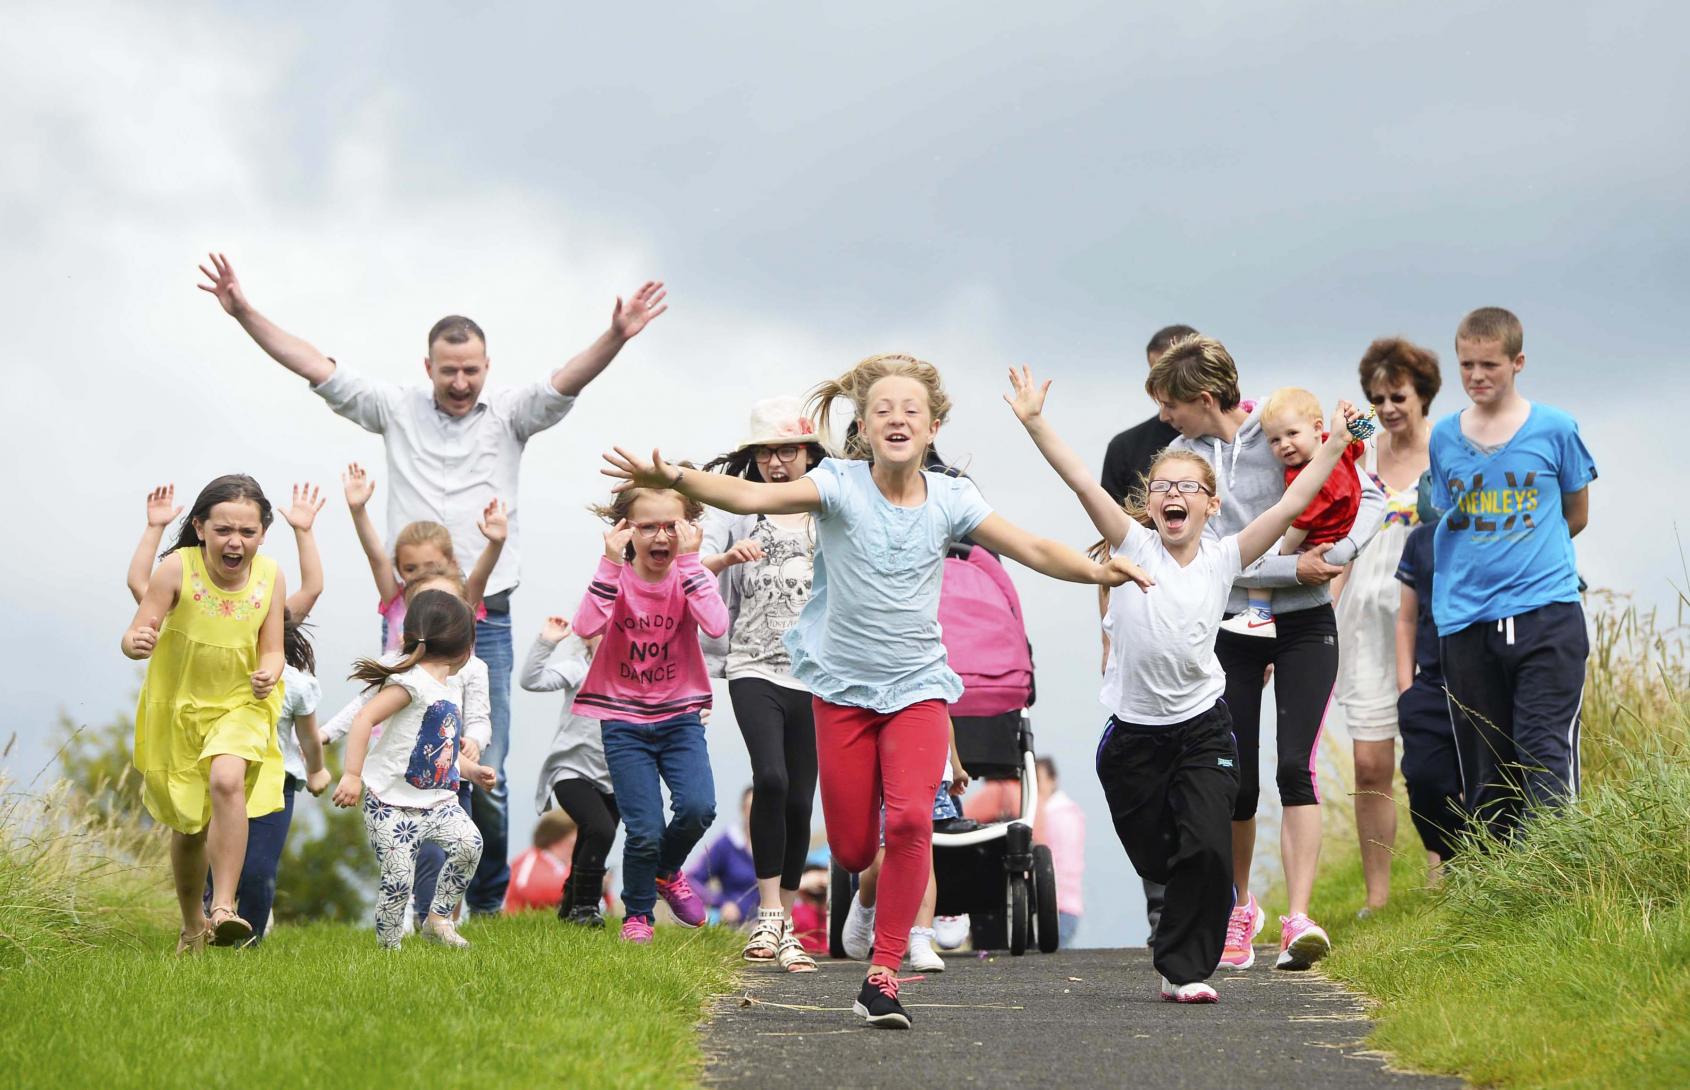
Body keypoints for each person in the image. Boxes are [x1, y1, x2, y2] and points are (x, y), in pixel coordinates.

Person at [601, 352, 1151, 1030]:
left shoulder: (951, 498)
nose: (897, 419)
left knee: (915, 821)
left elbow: (1034, 548)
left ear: (932, 426)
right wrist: (673, 477)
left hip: (918, 685)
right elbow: (751, 497)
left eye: (911, 411)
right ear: (862, 426)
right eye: (884, 410)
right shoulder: (836, 483)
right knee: (857, 848)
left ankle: (883, 975)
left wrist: (1104, 568)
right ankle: (862, 903)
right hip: (841, 689)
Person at [197, 252, 667, 912]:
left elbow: (566, 381)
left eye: (471, 370)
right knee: (411, 759)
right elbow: (315, 364)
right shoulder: (395, 408)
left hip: (487, 620)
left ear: (487, 366)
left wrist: (615, 335)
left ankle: (484, 900)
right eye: (448, 371)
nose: (460, 381)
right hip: (410, 622)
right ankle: (421, 900)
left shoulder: (509, 414)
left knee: (486, 767)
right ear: (428, 368)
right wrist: (245, 311)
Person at [1004, 363, 1363, 1001]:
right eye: (1163, 486)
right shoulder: (1134, 547)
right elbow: (1082, 480)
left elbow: (1289, 504)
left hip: (1202, 726)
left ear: (1211, 504)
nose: (1175, 495)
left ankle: (1184, 971)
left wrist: (1334, 443)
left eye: (1188, 487)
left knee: (1207, 847)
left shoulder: (1228, 557)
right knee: (1159, 857)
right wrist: (1035, 422)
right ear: (1150, 503)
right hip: (1134, 736)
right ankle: (1184, 916)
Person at [1147, 336, 1385, 972]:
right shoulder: (1184, 465)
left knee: (1294, 766)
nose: (1165, 418)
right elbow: (1221, 559)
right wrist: (1295, 566)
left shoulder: (1277, 426)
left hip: (1307, 625)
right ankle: (1239, 908)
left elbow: (1375, 494)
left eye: (1171, 404)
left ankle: (1298, 917)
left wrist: (1336, 559)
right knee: (1238, 780)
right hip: (1236, 624)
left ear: (1201, 399)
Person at [128, 483, 333, 943]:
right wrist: (136, 644)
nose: (234, 540)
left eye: (247, 530)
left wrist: (269, 671)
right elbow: (135, 626)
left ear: (262, 534)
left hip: (244, 703)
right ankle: (191, 924)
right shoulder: (177, 569)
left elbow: (274, 649)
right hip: (181, 710)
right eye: (222, 529)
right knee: (189, 827)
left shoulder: (270, 577)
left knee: (226, 780)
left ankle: (222, 907)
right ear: (200, 528)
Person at [1430, 307, 1596, 837]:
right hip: (1466, 619)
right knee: (1486, 766)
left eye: (1489, 365)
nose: (1477, 376)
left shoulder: (1556, 428)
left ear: (1517, 362)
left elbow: (1576, 513)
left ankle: (1556, 879)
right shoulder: (1443, 437)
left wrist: (1530, 553)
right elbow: (1448, 514)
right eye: (1466, 365)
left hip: (1546, 612)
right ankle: (1505, 898)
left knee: (1544, 750)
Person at [571, 481, 734, 945]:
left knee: (699, 807)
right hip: (623, 721)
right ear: (625, 532)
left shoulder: (690, 575)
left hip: (680, 716)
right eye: (647, 527)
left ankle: (665, 871)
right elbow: (585, 626)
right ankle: (637, 915)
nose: (661, 537)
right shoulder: (614, 578)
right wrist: (607, 563)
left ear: (689, 530)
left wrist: (690, 564)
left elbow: (717, 626)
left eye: (672, 526)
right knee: (643, 828)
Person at [698, 396, 826, 972]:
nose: (778, 463)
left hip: (817, 674)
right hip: (751, 665)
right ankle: (768, 911)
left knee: (801, 796)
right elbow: (689, 572)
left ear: (808, 454)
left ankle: (789, 922)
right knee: (769, 778)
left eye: (789, 451)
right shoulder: (735, 512)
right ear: (753, 457)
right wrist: (726, 558)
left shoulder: (828, 512)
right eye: (767, 452)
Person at [319, 567, 498, 926]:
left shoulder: (464, 677)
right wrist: (348, 770)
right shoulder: (404, 677)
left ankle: (437, 920)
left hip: (444, 787)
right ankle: (394, 940)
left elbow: (449, 742)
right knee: (400, 875)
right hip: (394, 795)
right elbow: (362, 714)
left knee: (466, 846)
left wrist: (474, 764)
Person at [1097, 324, 1195, 942]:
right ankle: (1161, 899)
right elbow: (1108, 545)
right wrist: (1106, 630)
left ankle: (1219, 898)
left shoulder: (1222, 442)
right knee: (1147, 772)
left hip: (1211, 625)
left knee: (1209, 772)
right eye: (1159, 376)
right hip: (1141, 622)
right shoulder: (1128, 446)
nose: (1167, 391)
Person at [1336, 339, 1439, 912]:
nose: (1388, 408)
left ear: (1422, 393)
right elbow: (1338, 540)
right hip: (1363, 619)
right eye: (1377, 399)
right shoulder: (1362, 456)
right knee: (1370, 761)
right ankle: (1377, 897)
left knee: (1433, 753)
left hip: (1429, 619)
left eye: (1397, 395)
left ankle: (1440, 874)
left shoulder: (1448, 451)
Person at [1220, 386, 1366, 637]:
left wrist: (1281, 557)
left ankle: (1259, 613)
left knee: (1260, 546)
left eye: (1292, 434)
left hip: (1314, 539)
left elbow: (1300, 525)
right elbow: (1359, 447)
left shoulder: (1319, 480)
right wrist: (1356, 424)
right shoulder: (1334, 449)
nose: (1284, 445)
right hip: (1322, 532)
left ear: (1318, 428)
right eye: (1274, 440)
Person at [341, 462, 504, 651]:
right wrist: (358, 511)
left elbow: (480, 576)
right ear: (399, 568)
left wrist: (496, 544)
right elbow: (376, 558)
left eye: (431, 566)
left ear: (452, 563)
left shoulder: (463, 602)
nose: (421, 574)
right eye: (410, 568)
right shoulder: (397, 601)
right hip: (402, 681)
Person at [521, 615, 619, 928]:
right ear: (586, 635)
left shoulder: (635, 675)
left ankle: (569, 903)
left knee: (594, 836)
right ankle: (586, 907)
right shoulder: (579, 668)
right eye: (600, 629)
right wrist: (546, 642)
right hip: (571, 771)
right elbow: (531, 680)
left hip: (614, 777)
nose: (606, 636)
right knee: (600, 829)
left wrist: (693, 712)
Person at [1394, 482, 1465, 883]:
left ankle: (1477, 864)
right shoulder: (1419, 541)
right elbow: (1406, 618)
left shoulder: (1481, 532)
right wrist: (1406, 690)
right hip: (1430, 683)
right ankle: (1450, 854)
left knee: (1482, 778)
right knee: (1423, 780)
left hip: (1480, 682)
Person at [686, 787, 761, 929]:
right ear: (743, 810)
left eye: (763, 807)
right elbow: (692, 878)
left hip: (774, 923)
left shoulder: (780, 844)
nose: (757, 813)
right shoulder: (727, 844)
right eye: (751, 807)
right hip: (737, 927)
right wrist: (721, 903)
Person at [1033, 757, 1085, 949]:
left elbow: (1060, 863)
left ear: (1052, 780)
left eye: (1038, 780)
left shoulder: (1057, 814)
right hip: (1064, 905)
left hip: (1058, 906)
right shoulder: (1069, 811)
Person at [504, 810, 578, 914]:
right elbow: (526, 888)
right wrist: (584, 886)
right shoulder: (529, 860)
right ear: (559, 837)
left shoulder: (568, 866)